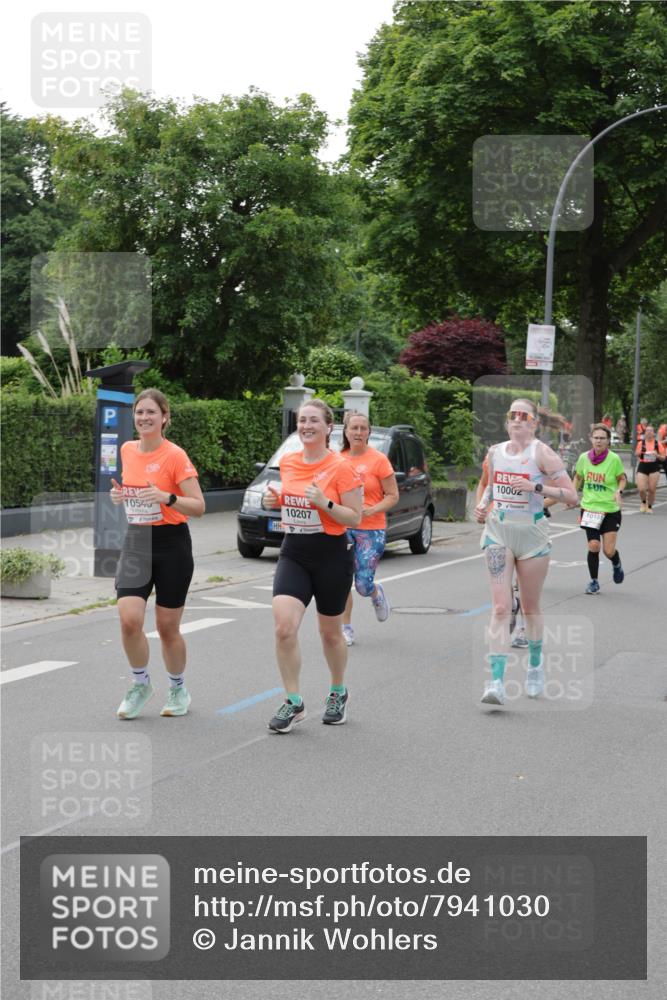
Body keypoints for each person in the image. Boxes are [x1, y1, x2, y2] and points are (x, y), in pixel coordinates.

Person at [263, 400, 363, 733]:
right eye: (301, 420)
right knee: (284, 627)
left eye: (313, 421)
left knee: (330, 633)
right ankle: (293, 701)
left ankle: (338, 692)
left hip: (332, 553)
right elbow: (291, 498)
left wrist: (326, 503)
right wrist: (275, 500)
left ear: (328, 427)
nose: (306, 425)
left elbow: (355, 516)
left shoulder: (342, 467)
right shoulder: (289, 461)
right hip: (295, 551)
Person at [474, 399, 578, 706]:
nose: (517, 420)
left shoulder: (542, 453)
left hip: (532, 536)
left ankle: (534, 665)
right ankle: (496, 682)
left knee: (531, 608)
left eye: (524, 416)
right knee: (501, 608)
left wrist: (535, 488)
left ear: (534, 423)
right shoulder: (494, 452)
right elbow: (491, 487)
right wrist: (481, 507)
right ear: (507, 422)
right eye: (512, 415)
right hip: (498, 532)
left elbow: (571, 495)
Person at [110, 389, 205, 719]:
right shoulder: (127, 450)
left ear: (165, 417)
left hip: (171, 544)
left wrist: (167, 497)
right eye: (139, 413)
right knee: (129, 620)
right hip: (137, 541)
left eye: (151, 412)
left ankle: (178, 688)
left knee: (167, 627)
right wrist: (121, 495)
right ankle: (140, 684)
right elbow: (133, 489)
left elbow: (199, 506)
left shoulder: (175, 455)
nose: (144, 418)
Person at [339, 411, 399, 645]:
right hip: (343, 527)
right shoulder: (338, 459)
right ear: (346, 431)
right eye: (354, 428)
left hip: (371, 529)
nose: (358, 432)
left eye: (363, 428)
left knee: (362, 584)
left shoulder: (379, 460)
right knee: (342, 579)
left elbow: (393, 495)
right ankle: (346, 628)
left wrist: (373, 509)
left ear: (369, 432)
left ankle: (374, 593)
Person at [475, 454, 529, 648]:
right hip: (497, 528)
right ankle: (512, 605)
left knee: (521, 581)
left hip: (527, 529)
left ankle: (522, 629)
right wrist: (481, 508)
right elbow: (483, 485)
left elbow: (555, 493)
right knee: (503, 580)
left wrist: (538, 505)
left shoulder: (537, 457)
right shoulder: (494, 456)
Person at [570, 424, 626, 594]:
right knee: (593, 546)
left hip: (610, 509)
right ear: (591, 439)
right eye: (596, 437)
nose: (599, 441)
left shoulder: (614, 459)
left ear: (608, 441)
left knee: (608, 551)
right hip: (590, 508)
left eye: (602, 438)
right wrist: (572, 494)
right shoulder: (583, 458)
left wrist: (618, 491)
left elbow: (622, 478)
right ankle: (594, 581)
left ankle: (616, 563)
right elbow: (578, 477)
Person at [635, 426, 666, 513]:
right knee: (641, 489)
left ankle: (649, 506)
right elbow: (636, 454)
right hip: (643, 465)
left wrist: (657, 455)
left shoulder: (658, 444)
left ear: (653, 433)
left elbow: (663, 458)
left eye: (650, 431)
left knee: (652, 489)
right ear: (645, 433)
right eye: (647, 431)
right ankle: (643, 502)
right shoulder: (641, 443)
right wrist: (640, 453)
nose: (649, 432)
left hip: (654, 466)